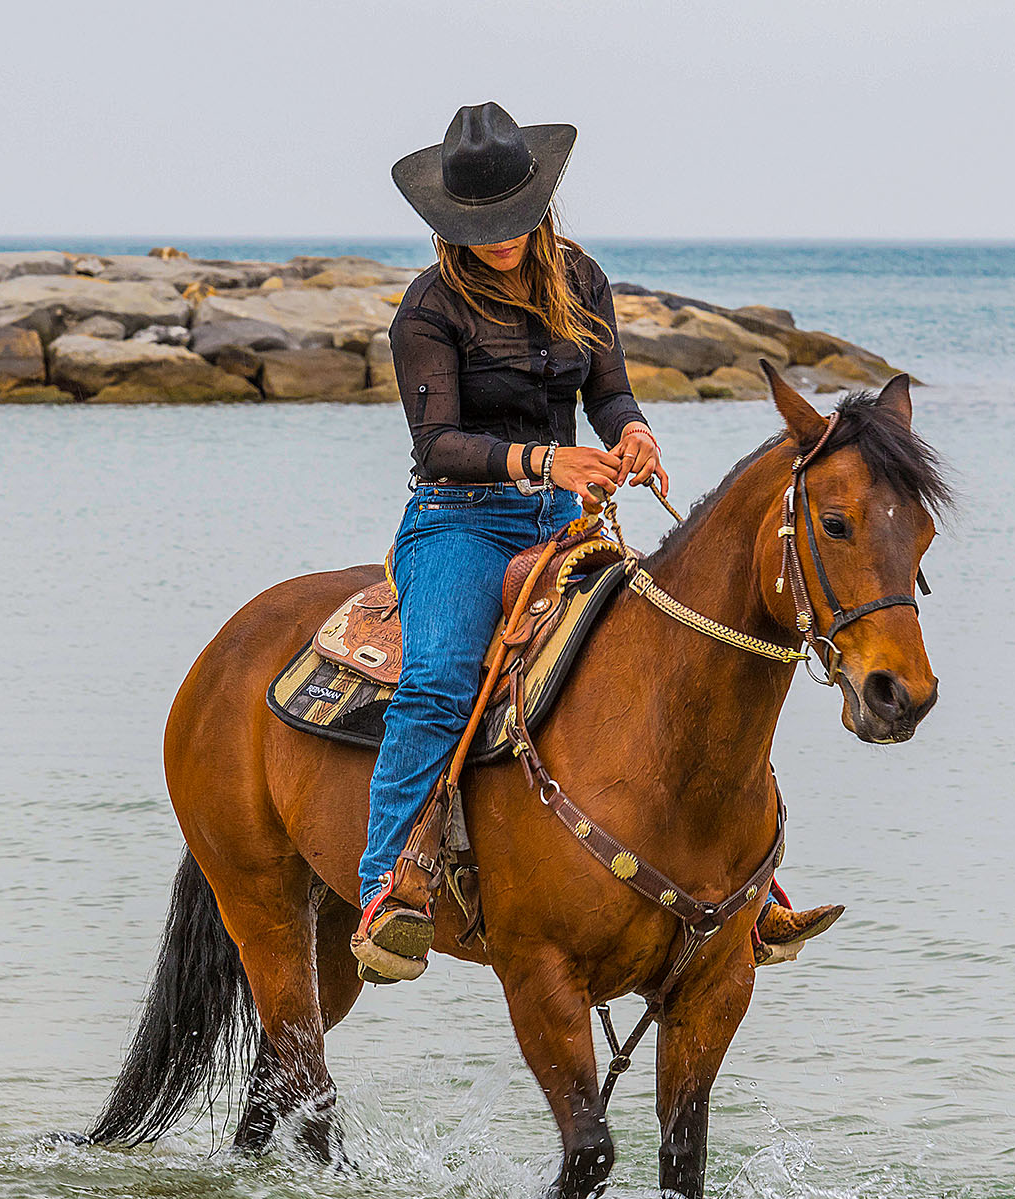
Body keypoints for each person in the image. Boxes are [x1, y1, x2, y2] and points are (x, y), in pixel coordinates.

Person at [355, 101, 840, 982]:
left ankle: (750, 884)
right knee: (439, 678)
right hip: (460, 520)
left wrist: (636, 432)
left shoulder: (580, 278)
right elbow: (437, 446)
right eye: (482, 227)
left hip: (568, 520)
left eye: (515, 219)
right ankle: (389, 883)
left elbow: (608, 393)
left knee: (674, 660)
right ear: (450, 225)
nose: (502, 239)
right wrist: (546, 457)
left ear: (541, 200)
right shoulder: (426, 311)